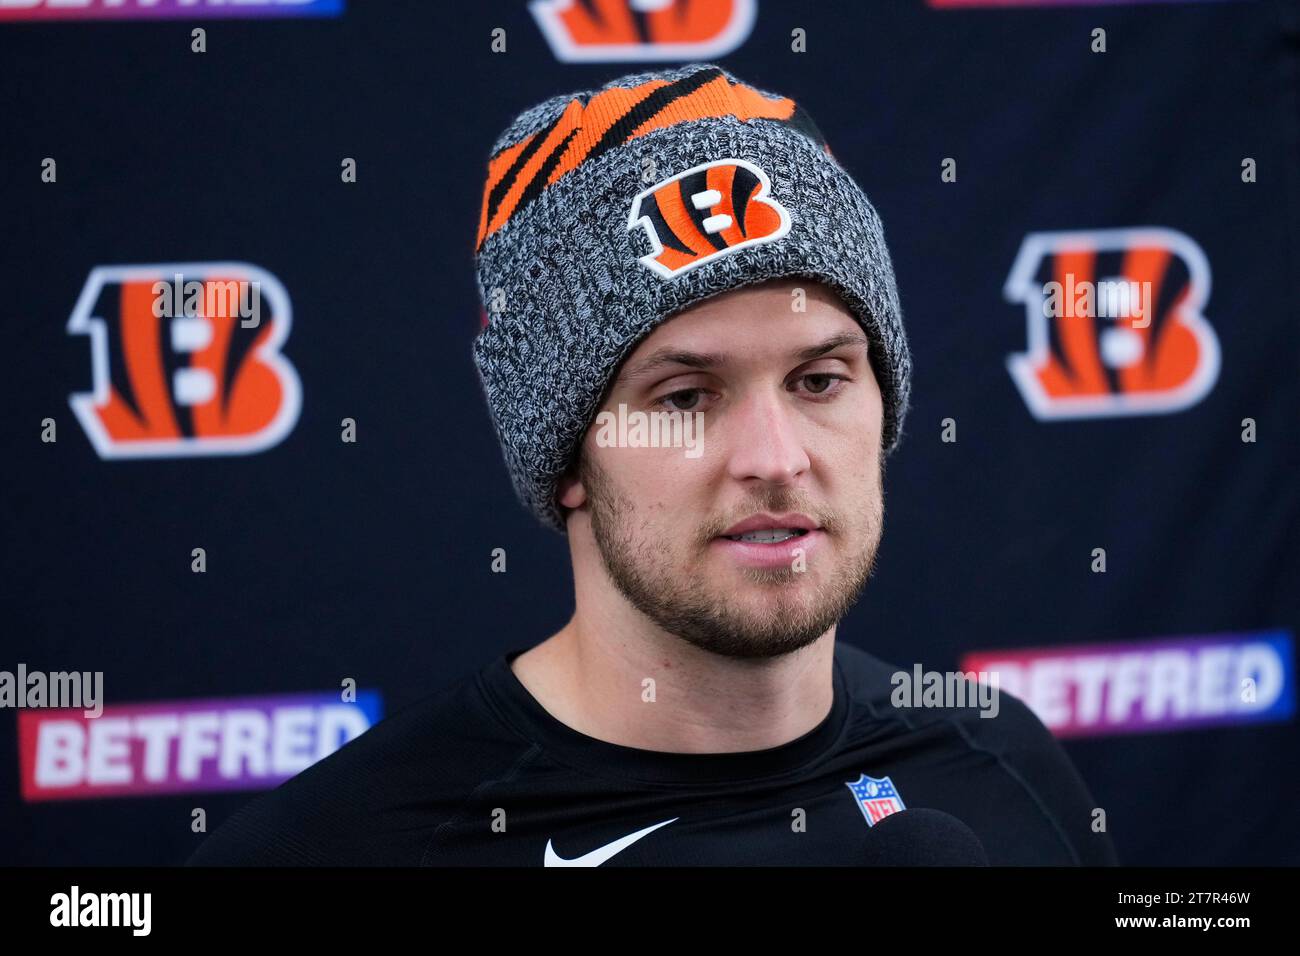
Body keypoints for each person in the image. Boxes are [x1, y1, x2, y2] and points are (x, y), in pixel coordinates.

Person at [186, 63, 1117, 867]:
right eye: (684, 398)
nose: (776, 459)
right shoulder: (352, 848)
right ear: (567, 460)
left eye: (820, 379)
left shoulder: (1004, 765)